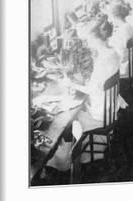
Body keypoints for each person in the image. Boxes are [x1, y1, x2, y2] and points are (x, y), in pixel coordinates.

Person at [47, 17, 121, 171]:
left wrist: (70, 83)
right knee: (72, 111)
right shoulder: (111, 52)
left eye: (87, 40)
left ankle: (65, 161)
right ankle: (72, 154)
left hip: (100, 115)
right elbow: (97, 84)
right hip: (111, 108)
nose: (86, 44)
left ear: (94, 38)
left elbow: (91, 88)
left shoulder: (101, 62)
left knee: (65, 119)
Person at [107, 2, 133, 77]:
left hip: (124, 68)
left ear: (115, 16)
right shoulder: (128, 25)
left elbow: (121, 54)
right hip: (131, 63)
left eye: (110, 17)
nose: (110, 20)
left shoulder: (121, 31)